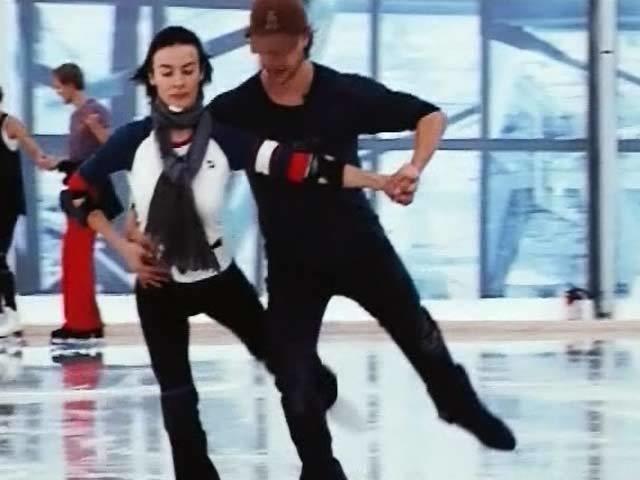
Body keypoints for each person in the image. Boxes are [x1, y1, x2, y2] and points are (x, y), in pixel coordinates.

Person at [61, 26, 399, 480]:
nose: (178, 81)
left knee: (288, 366)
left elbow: (301, 166)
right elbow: (75, 193)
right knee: (178, 398)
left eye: (187, 70)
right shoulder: (131, 140)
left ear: (201, 73)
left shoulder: (224, 137)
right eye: (167, 72)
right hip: (158, 285)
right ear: (152, 78)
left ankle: (321, 435)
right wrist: (121, 244)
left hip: (220, 278)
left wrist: (377, 181)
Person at [207, 1, 517, 477]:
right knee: (292, 374)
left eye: (283, 50)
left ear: (305, 39)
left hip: (358, 246)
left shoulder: (343, 93)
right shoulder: (235, 109)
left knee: (417, 331)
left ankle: (457, 403)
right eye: (264, 51)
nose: (274, 62)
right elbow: (184, 155)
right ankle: (319, 466)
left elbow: (430, 116)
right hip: (291, 263)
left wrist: (414, 167)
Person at [50, 63, 112, 345]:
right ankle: (86, 322)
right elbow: (79, 158)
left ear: (70, 84)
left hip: (89, 188)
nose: (57, 91)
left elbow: (110, 146)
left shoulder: (94, 110)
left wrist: (96, 127)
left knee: (77, 257)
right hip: (77, 183)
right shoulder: (76, 116)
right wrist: (58, 164)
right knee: (74, 256)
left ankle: (82, 325)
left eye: (58, 86)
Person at [0, 85, 57, 342]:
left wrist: (43, 159)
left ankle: (12, 314)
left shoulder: (8, 123)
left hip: (5, 204)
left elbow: (31, 147)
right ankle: (6, 314)